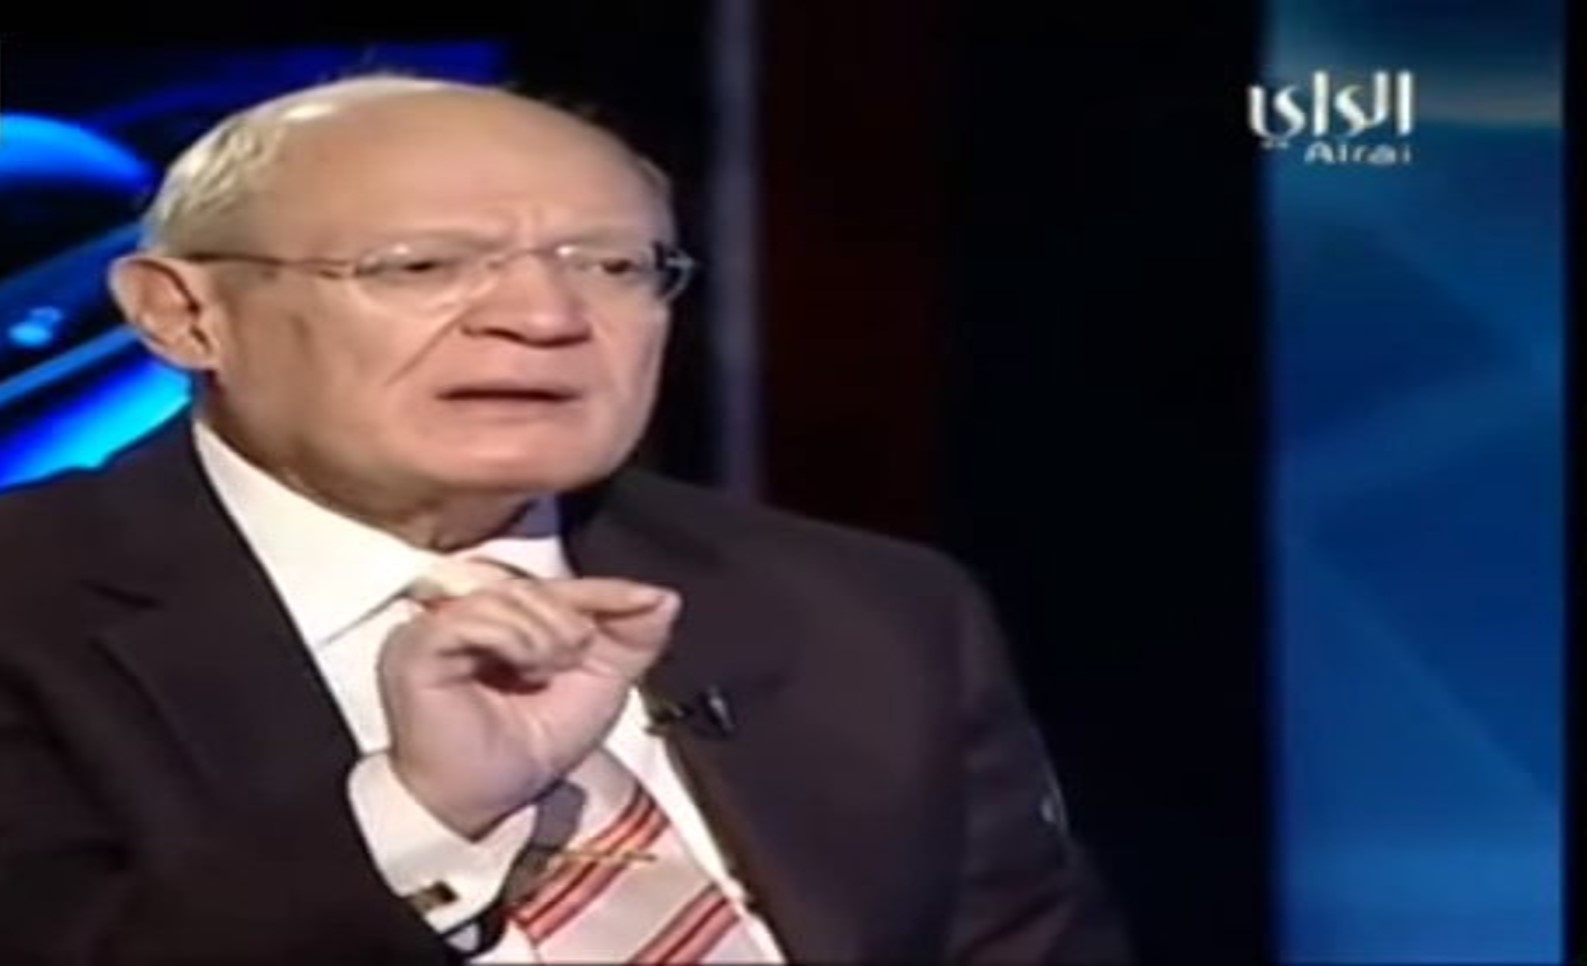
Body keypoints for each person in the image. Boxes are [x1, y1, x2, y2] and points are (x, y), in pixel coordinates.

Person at [0, 74, 1129, 964]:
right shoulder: (29, 606)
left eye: (613, 266)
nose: (545, 317)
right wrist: (420, 816)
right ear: (182, 315)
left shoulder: (870, 609)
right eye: (422, 265)